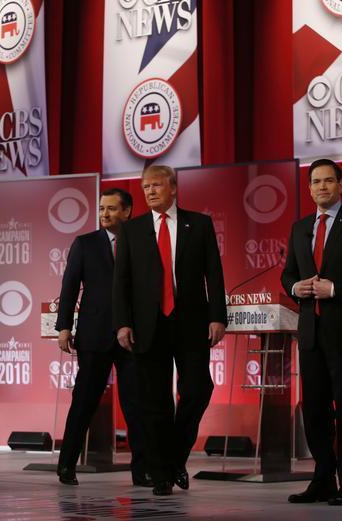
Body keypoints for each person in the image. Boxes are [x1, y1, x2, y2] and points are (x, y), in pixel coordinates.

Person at [113, 165, 227, 496]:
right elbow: (121, 282)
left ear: (173, 188)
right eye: (145, 187)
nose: (150, 191)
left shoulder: (199, 224)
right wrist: (122, 323)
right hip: (148, 325)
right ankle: (162, 473)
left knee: (198, 389)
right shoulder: (132, 230)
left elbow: (214, 274)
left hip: (190, 322)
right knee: (154, 401)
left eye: (156, 185)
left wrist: (218, 317)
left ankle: (176, 455)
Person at [281, 159, 342, 505]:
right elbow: (288, 273)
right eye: (315, 182)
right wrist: (296, 288)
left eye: (328, 181)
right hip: (310, 333)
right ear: (309, 189)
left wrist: (336, 289)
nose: (321, 187)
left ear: (340, 185)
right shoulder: (300, 228)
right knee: (315, 411)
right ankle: (323, 478)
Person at [55, 188, 151, 487]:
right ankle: (66, 465)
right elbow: (69, 287)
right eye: (101, 208)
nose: (104, 214)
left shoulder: (142, 242)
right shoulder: (85, 244)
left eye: (111, 208)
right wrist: (64, 326)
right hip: (94, 335)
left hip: (132, 336)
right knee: (83, 402)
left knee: (136, 405)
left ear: (127, 211)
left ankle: (143, 471)